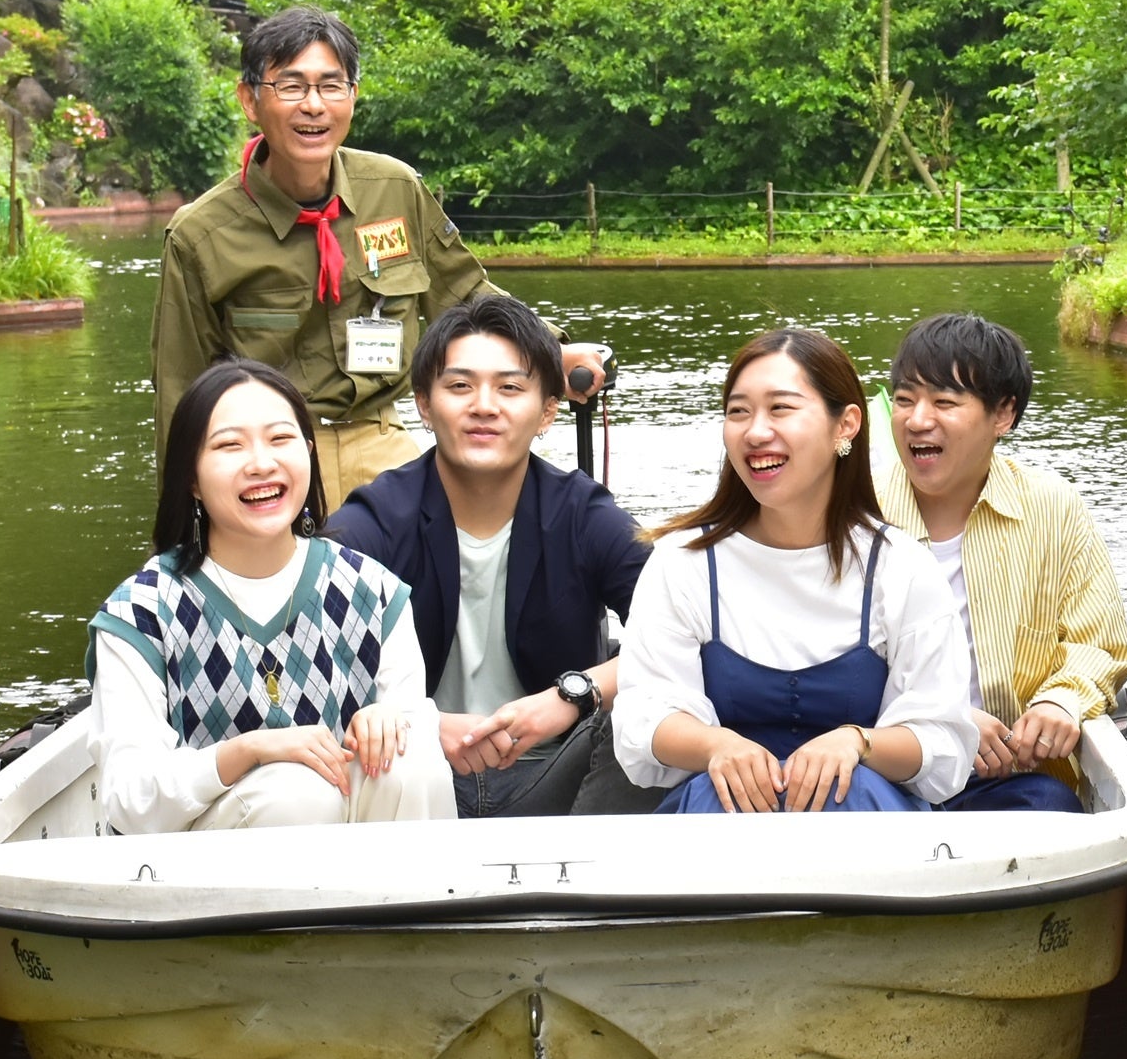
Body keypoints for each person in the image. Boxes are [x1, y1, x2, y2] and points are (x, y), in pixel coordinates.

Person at [149, 3, 603, 500]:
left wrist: (549, 348)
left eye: (330, 85)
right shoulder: (200, 234)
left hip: (383, 439)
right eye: (291, 86)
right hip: (274, 453)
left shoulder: (393, 188)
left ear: (352, 97)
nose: (314, 105)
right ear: (250, 101)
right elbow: (181, 390)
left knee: (450, 549)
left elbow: (466, 294)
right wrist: (183, 520)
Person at [613, 328, 979, 813]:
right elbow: (644, 716)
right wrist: (716, 746)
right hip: (721, 824)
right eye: (738, 411)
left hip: (869, 828)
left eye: (780, 408)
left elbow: (944, 738)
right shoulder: (683, 562)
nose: (756, 431)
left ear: (846, 425)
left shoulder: (901, 567)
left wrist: (858, 743)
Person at [88, 357, 453, 834]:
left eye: (280, 439)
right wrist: (247, 752)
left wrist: (388, 722)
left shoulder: (374, 590)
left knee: (408, 762)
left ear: (308, 453)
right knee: (294, 793)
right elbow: (127, 800)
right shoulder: (140, 613)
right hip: (199, 883)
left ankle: (410, 909)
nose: (261, 463)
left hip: (367, 869)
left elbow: (414, 730)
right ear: (192, 479)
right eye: (229, 446)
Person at [326, 295, 652, 818]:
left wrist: (571, 697)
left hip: (558, 769)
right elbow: (305, 652)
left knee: (650, 715)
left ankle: (588, 885)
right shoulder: (376, 518)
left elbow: (690, 630)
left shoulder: (581, 512)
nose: (483, 405)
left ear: (548, 410)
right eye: (459, 386)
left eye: (509, 387)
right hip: (411, 775)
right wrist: (424, 724)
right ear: (424, 406)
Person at [877, 313, 1127, 814]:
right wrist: (945, 720)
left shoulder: (1052, 506)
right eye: (905, 400)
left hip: (1007, 774)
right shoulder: (858, 513)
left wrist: (1061, 700)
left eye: (944, 402)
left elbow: (1099, 643)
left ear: (1003, 415)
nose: (917, 419)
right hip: (888, 768)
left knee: (1050, 806)